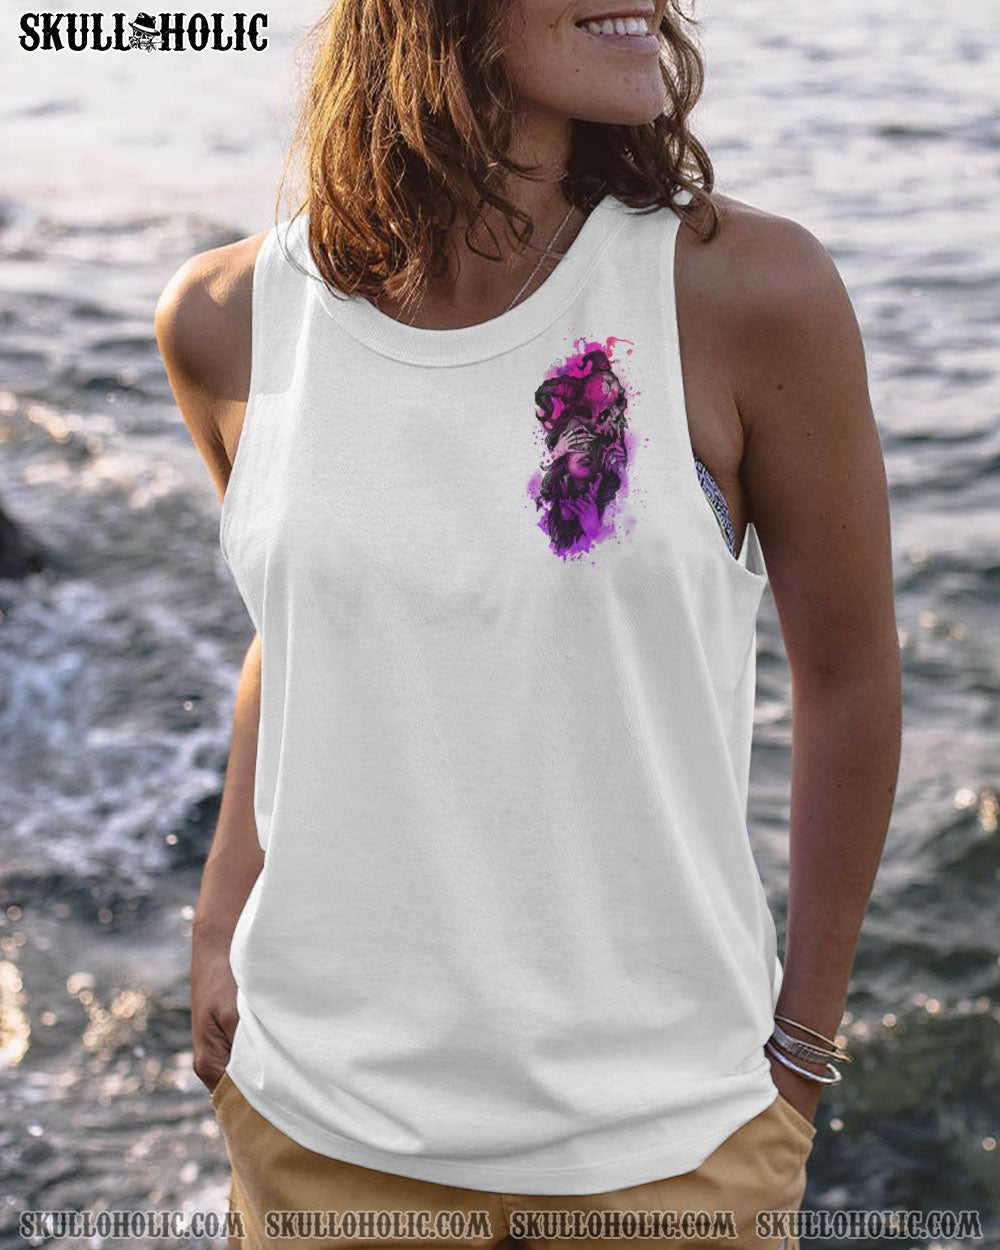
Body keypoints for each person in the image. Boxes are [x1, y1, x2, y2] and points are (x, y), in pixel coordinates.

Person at [154, 2, 901, 1247]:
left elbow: (851, 676)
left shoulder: (745, 292)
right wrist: (220, 914)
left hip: (670, 1153)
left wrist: (801, 1057)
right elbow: (302, 626)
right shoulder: (228, 317)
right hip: (318, 1136)